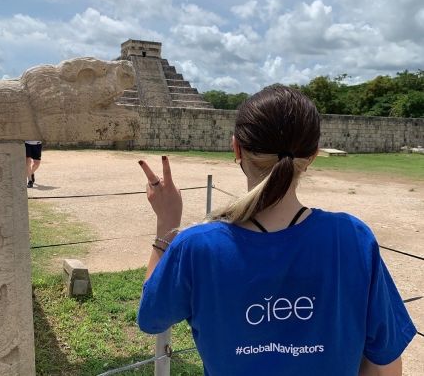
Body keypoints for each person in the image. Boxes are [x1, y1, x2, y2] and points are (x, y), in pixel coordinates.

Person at [137, 85, 416, 376]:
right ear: (312, 156)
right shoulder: (352, 238)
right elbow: (384, 362)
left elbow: (151, 317)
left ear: (236, 149)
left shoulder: (197, 247)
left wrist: (167, 225)